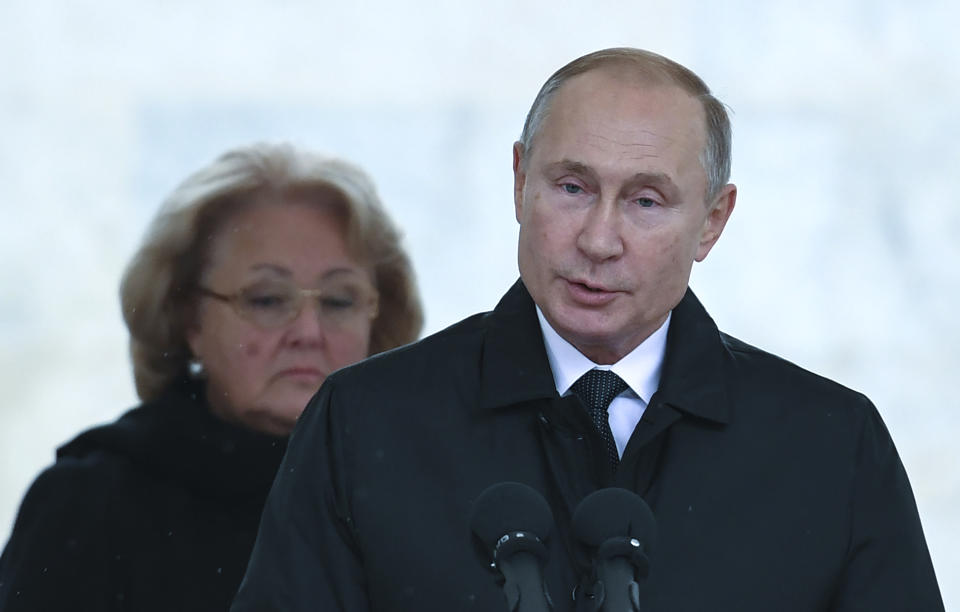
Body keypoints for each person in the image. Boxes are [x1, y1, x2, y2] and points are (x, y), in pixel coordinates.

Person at [231, 49, 944, 611]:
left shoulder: (829, 446)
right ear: (519, 181)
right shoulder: (367, 422)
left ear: (713, 222)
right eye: (571, 188)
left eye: (645, 200)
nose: (599, 240)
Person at [0, 143, 423, 611]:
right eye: (266, 299)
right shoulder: (88, 506)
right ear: (190, 320)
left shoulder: (428, 495)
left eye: (339, 301)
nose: (308, 331)